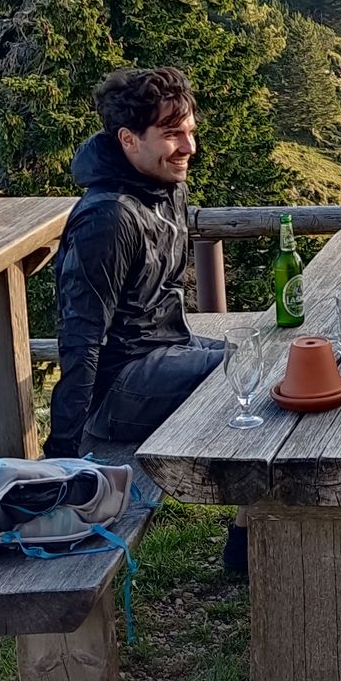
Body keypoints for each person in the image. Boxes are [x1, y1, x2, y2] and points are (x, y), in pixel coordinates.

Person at [48, 67, 224, 458]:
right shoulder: (108, 218)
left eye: (190, 131)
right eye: (172, 134)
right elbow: (81, 337)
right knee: (246, 374)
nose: (189, 147)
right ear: (128, 139)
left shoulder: (166, 188)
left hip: (168, 349)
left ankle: (248, 519)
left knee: (269, 355)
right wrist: (62, 452)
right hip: (118, 390)